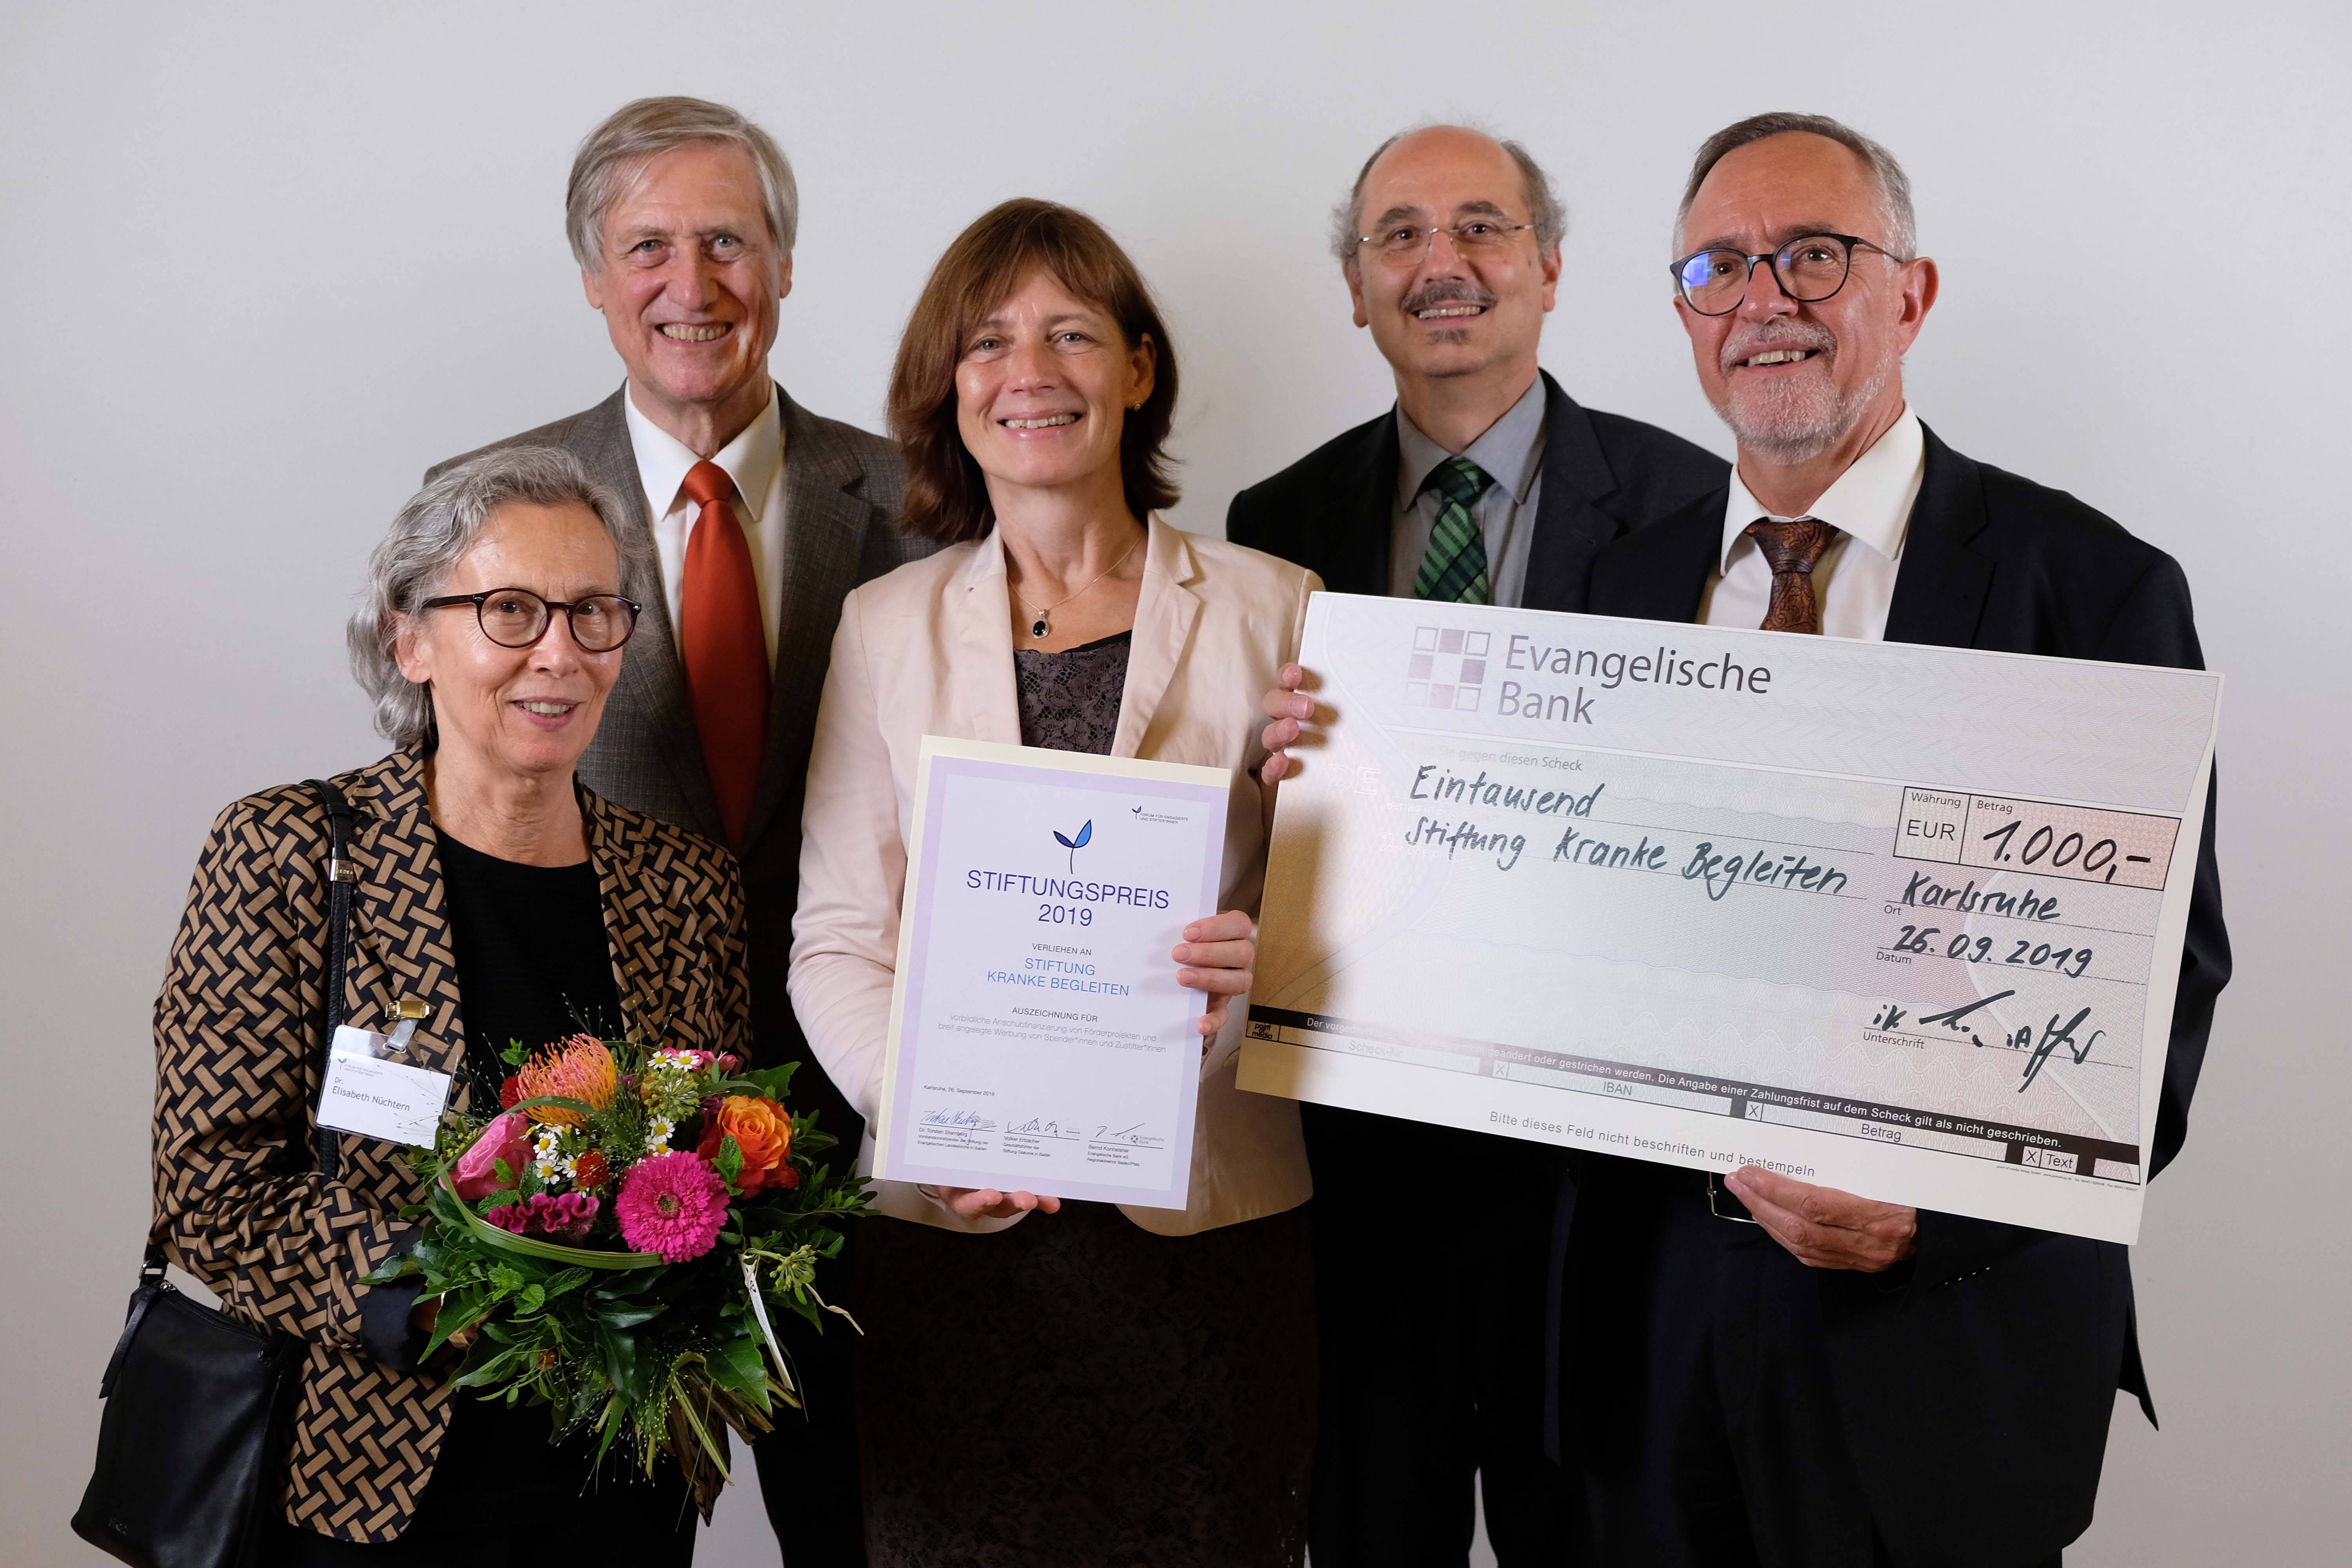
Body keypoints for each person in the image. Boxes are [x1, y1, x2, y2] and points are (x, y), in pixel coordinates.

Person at [1267, 113, 2235, 1566]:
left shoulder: (2089, 589)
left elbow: (2162, 996)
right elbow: (1523, 919)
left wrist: (1934, 1212)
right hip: (1644, 1350)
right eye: (1719, 267)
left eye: (1814, 256)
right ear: (1683, 312)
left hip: (1933, 1345)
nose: (1764, 299)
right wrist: (1332, 781)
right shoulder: (1614, 590)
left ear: (1910, 293)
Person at [427, 97, 930, 1562]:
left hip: (879, 1134)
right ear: (595, 278)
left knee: (873, 1525)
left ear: (785, 265)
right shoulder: (495, 511)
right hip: (597, 1163)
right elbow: (444, 820)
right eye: (647, 247)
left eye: (728, 241)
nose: (690, 284)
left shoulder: (922, 501)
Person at [789, 199, 1316, 1566]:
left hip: (1206, 1230)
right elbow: (837, 939)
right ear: (947, 388)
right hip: (952, 1245)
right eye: (987, 342)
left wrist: (1269, 967)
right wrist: (926, 1118)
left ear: (1137, 369)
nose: (1028, 372)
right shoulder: (882, 626)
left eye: (1071, 334)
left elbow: (1348, 932)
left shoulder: (1284, 608)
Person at [1229, 123, 1726, 1566]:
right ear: (1355, 285)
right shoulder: (1278, 522)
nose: (1439, 263)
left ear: (1551, 267)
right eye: (1398, 235)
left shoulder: (1695, 507)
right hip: (1359, 1171)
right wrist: (1261, 774)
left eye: (1481, 228)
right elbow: (1257, 838)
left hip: (1595, 1188)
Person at [151, 448, 748, 1563]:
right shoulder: (290, 855)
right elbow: (211, 1190)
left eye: (593, 612)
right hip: (362, 1489)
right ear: (411, 640)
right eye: (510, 611)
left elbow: (715, 1179)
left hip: (620, 1494)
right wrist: (452, 1291)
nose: (559, 654)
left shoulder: (686, 888)